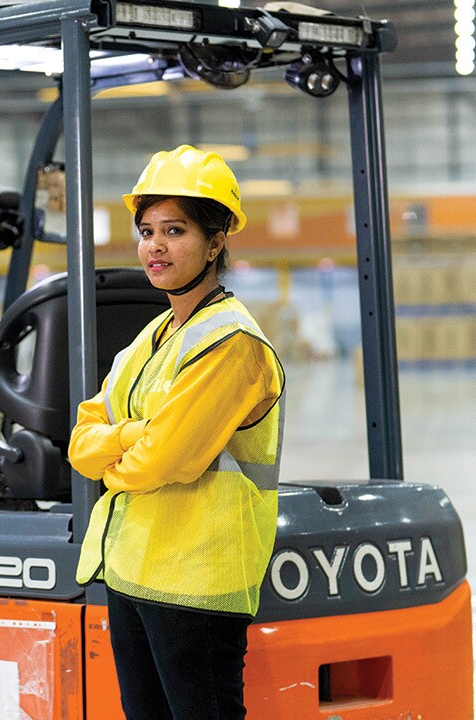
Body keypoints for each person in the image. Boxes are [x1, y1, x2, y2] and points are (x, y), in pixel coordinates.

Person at [71, 145, 285, 720]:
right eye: (147, 232)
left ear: (215, 242)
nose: (155, 246)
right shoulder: (154, 335)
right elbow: (81, 440)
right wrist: (134, 435)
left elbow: (163, 461)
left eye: (175, 230)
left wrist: (123, 450)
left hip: (197, 581)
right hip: (132, 575)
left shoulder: (230, 343)